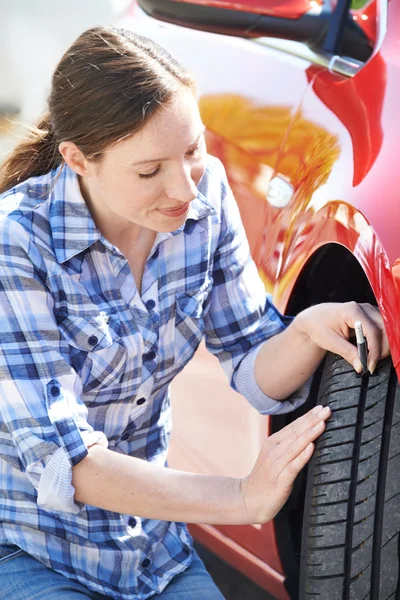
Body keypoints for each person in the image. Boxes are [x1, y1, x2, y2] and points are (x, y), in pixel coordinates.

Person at [0, 26, 389, 600]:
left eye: (192, 151)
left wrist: (304, 333)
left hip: (153, 550)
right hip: (33, 548)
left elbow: (252, 358)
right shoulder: (17, 243)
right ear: (78, 159)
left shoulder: (203, 209)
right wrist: (241, 497)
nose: (184, 187)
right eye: (149, 170)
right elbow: (68, 464)